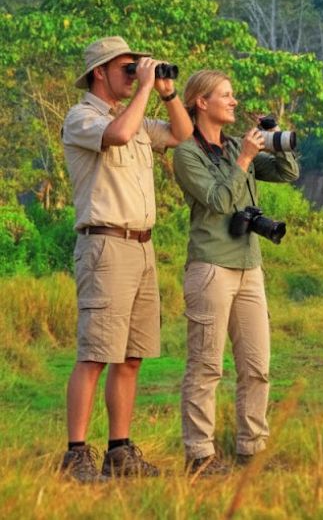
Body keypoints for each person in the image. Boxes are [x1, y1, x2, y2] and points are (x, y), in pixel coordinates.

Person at [60, 36, 192, 482]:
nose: (136, 73)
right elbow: (116, 135)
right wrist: (142, 90)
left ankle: (119, 450)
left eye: (138, 67)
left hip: (142, 246)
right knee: (96, 353)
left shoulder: (133, 118)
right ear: (101, 72)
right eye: (127, 67)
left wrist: (167, 92)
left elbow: (181, 133)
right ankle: (76, 454)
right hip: (105, 244)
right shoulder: (83, 117)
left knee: (131, 356)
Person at [173, 70, 299, 476]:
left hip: (249, 266)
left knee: (257, 365)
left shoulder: (231, 147)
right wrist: (244, 158)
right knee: (206, 366)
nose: (233, 101)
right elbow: (217, 200)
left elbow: (287, 174)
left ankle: (251, 450)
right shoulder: (187, 153)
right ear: (201, 102)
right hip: (211, 267)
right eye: (225, 95)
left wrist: (275, 138)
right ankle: (200, 455)